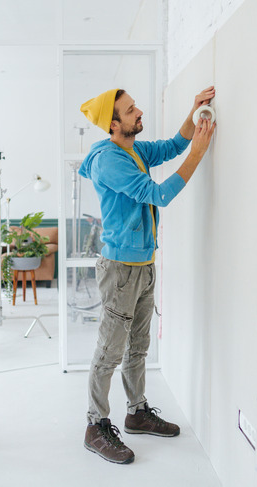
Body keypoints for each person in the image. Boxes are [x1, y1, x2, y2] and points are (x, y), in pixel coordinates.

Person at [78, 86, 216, 464]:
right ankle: (95, 425)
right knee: (109, 350)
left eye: (135, 106)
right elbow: (159, 195)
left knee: (138, 347)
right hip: (120, 269)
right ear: (113, 122)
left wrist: (193, 111)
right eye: (130, 109)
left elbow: (173, 145)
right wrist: (199, 154)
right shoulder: (109, 160)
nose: (139, 112)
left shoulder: (135, 149)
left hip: (143, 264)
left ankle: (136, 412)